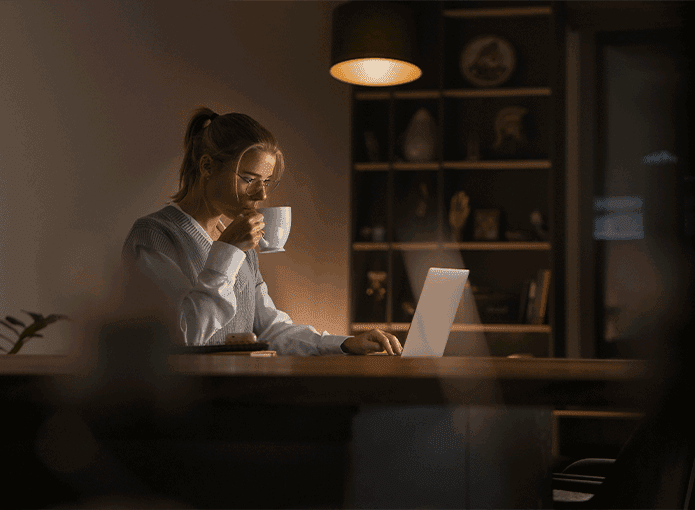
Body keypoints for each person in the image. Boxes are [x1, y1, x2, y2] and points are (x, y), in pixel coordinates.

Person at [121, 107, 402, 356]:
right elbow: (180, 335)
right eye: (249, 179)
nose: (262, 194)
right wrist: (227, 252)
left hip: (241, 394)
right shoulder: (153, 236)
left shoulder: (242, 247)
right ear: (207, 166)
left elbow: (270, 330)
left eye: (266, 182)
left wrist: (344, 344)